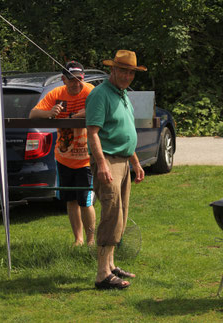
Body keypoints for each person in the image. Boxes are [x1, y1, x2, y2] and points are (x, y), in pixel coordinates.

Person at [85, 50, 146, 290]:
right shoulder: (101, 95)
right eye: (123, 70)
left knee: (120, 214)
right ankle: (102, 275)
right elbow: (93, 133)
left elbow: (125, 132)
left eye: (131, 72)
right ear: (112, 70)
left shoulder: (122, 95)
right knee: (111, 214)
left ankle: (110, 265)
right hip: (108, 161)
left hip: (123, 161)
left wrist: (136, 162)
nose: (127, 76)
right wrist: (101, 163)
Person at [29, 61, 96, 246]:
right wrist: (49, 113)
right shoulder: (56, 94)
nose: (76, 84)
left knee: (85, 200)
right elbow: (33, 115)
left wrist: (77, 116)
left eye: (79, 79)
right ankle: (78, 239)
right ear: (63, 80)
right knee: (71, 200)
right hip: (63, 158)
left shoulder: (90, 91)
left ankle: (91, 241)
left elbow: (101, 110)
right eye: (72, 80)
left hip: (85, 159)